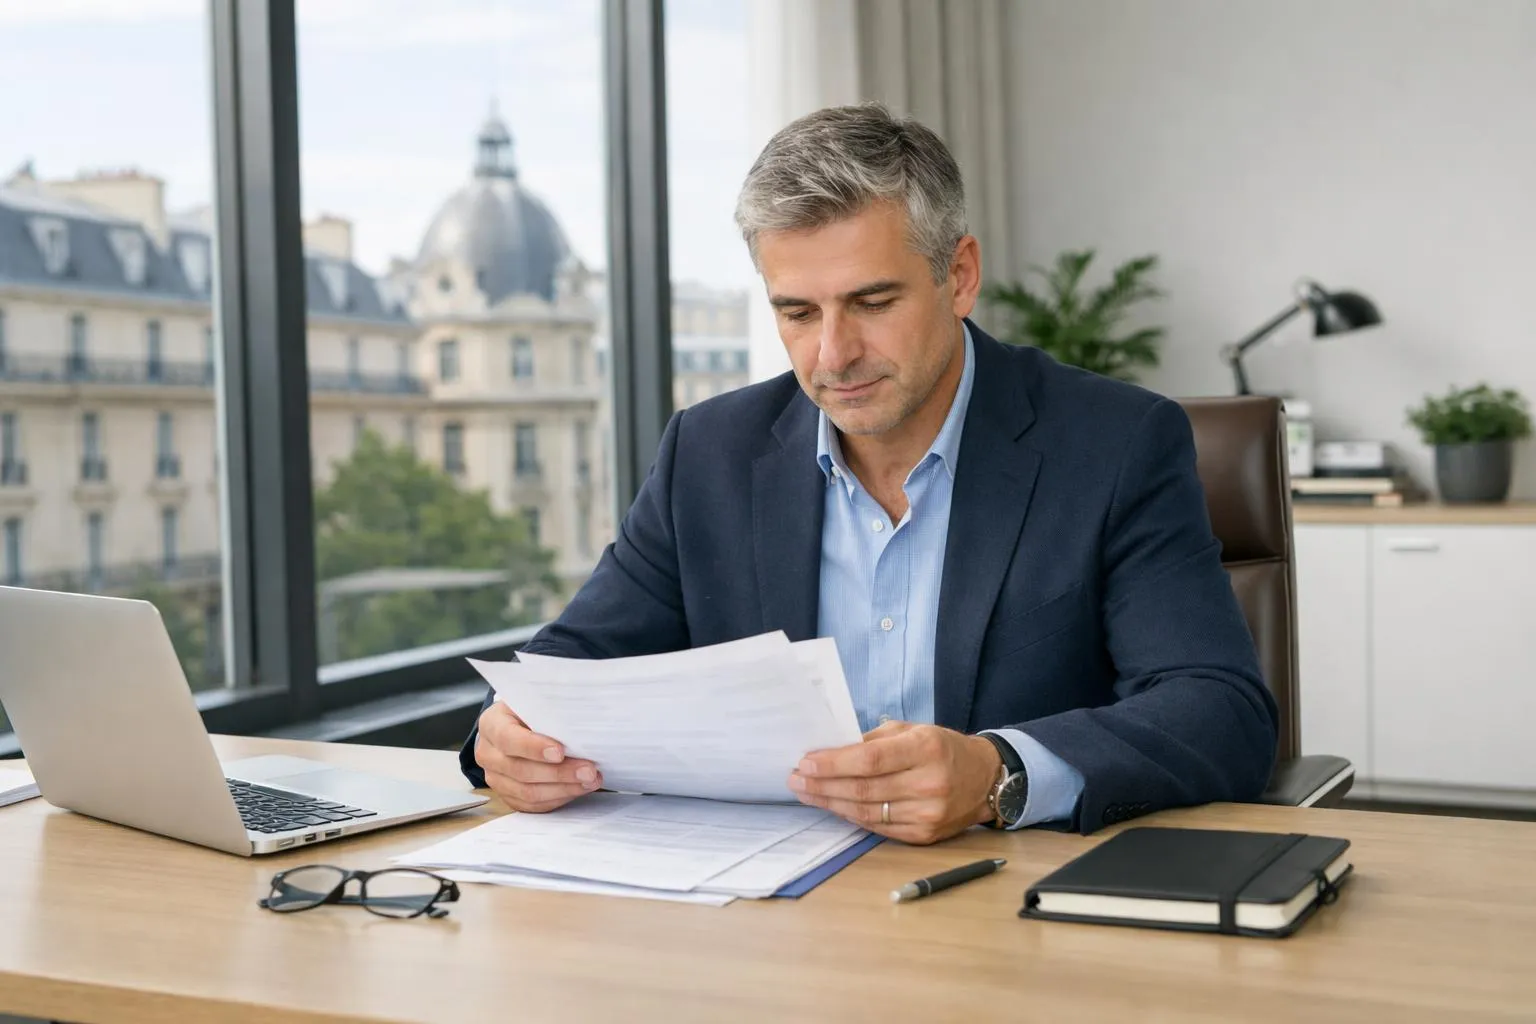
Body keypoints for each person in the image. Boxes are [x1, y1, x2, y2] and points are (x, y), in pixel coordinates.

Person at [461, 102, 1277, 843]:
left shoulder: (1115, 443)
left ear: (957, 276)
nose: (833, 355)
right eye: (797, 312)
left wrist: (999, 772)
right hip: (761, 910)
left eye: (873, 303)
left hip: (1007, 904)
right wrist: (506, 735)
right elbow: (567, 663)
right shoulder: (709, 453)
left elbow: (1219, 711)